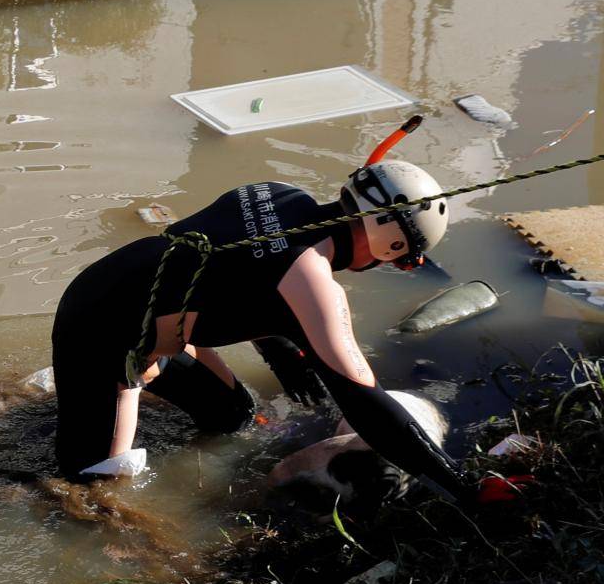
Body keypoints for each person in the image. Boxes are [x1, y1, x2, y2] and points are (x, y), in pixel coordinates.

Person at [51, 149, 477, 504]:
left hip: (114, 290)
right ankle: (76, 435)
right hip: (101, 338)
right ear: (392, 241)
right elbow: (368, 405)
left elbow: (242, 276)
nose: (395, 266)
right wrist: (460, 485)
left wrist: (282, 353)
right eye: (403, 258)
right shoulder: (312, 280)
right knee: (97, 490)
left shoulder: (276, 193)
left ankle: (116, 390)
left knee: (233, 415)